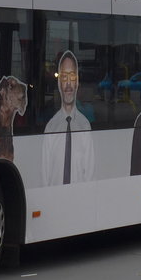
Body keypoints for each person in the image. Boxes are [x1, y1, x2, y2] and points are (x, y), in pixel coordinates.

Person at [42, 51, 95, 185]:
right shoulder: (51, 127)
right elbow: (45, 174)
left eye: (72, 77)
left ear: (77, 82)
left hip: (79, 198)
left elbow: (90, 173)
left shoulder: (84, 125)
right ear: (59, 83)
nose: (68, 84)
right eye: (64, 77)